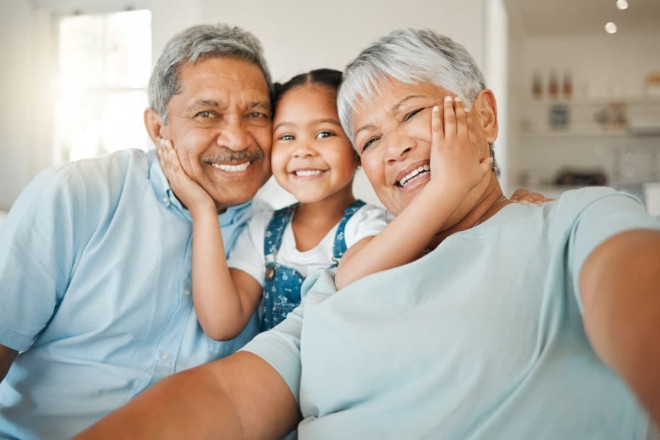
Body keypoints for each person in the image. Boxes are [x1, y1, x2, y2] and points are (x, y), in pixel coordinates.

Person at [77, 28, 660, 439]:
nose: (395, 147)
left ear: (484, 117)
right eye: (371, 139)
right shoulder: (342, 279)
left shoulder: (573, 221)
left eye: (411, 115)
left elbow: (635, 287)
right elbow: (229, 398)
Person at [0, 23, 275, 439]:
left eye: (256, 114)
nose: (237, 138)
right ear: (157, 128)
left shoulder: (275, 233)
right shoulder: (76, 195)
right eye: (207, 113)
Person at [155, 68, 390, 339]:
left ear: (357, 145)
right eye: (287, 137)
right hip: (275, 379)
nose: (303, 150)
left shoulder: (371, 227)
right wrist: (203, 210)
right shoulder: (264, 230)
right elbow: (222, 324)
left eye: (324, 133)